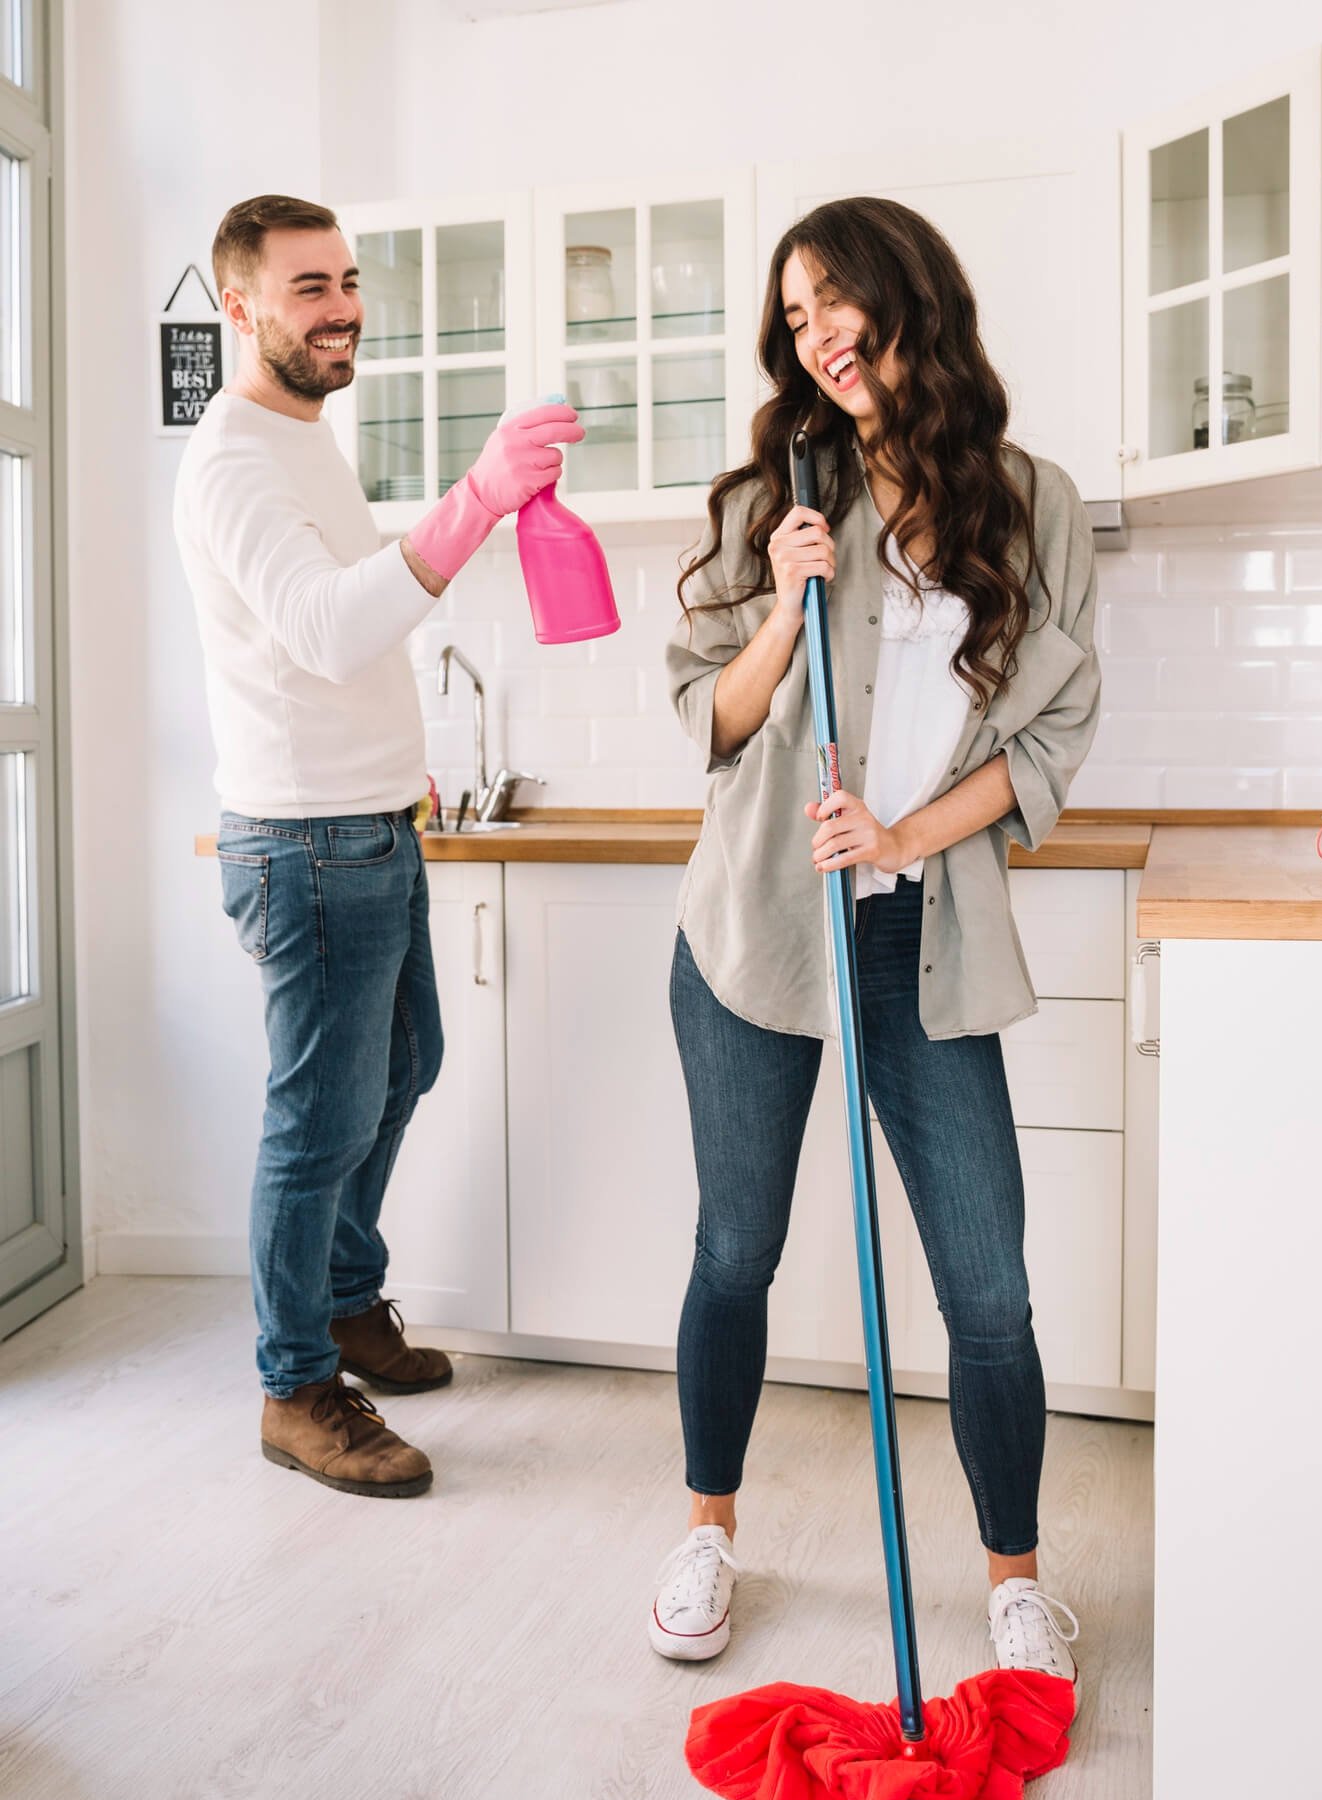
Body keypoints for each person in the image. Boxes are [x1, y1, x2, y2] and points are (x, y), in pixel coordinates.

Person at [653, 197, 1099, 1678]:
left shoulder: (1030, 502)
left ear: (909, 295)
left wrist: (906, 837)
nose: (816, 329)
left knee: (987, 1287)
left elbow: (1050, 730)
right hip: (758, 925)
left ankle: (1015, 1585)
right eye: (792, 315)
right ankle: (708, 1532)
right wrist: (782, 607)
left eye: (834, 294)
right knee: (736, 1249)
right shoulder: (774, 496)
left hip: (919, 931)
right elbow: (706, 722)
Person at [174, 194, 582, 1498]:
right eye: (308, 287)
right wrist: (476, 495)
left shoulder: (304, 441)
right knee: (318, 1116)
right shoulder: (232, 454)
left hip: (368, 825)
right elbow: (330, 629)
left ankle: (347, 1301)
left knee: (404, 1065)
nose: (342, 305)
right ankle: (294, 1384)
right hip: (303, 848)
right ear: (240, 305)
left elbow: (329, 638)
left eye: (347, 279)